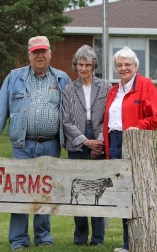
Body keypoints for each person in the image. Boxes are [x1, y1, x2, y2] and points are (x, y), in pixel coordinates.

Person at [0, 35, 71, 250]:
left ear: (50, 53)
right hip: (22, 145)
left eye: (43, 51)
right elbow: (1, 108)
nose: (40, 55)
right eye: (35, 52)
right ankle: (19, 240)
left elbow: (70, 111)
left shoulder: (62, 78)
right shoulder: (14, 78)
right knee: (19, 191)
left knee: (45, 192)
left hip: (51, 145)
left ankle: (43, 238)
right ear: (28, 54)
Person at [103, 46, 157, 252]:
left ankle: (139, 242)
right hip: (114, 141)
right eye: (119, 65)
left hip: (135, 143)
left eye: (127, 64)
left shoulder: (145, 85)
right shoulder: (114, 90)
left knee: (136, 193)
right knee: (121, 193)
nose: (123, 68)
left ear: (135, 66)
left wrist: (137, 128)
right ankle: (127, 244)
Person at [62, 45, 111, 246]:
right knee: (79, 190)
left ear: (93, 66)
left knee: (99, 189)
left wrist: (99, 141)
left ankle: (97, 239)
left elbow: (109, 116)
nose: (83, 68)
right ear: (76, 66)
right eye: (80, 64)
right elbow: (65, 121)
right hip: (77, 142)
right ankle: (80, 238)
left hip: (100, 141)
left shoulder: (106, 87)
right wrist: (85, 141)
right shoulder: (68, 89)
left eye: (87, 65)